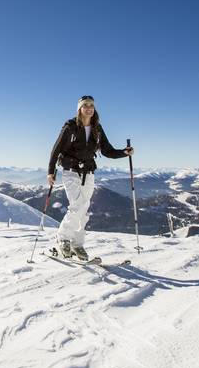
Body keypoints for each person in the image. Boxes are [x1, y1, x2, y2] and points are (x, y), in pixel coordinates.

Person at [47, 95, 134, 260]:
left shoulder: (97, 128)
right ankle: (63, 238)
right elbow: (56, 149)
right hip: (71, 171)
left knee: (84, 208)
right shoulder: (70, 127)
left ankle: (77, 244)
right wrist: (50, 172)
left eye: (92, 105)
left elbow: (107, 151)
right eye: (85, 105)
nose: (89, 108)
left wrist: (124, 152)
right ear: (79, 108)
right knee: (77, 205)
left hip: (89, 173)